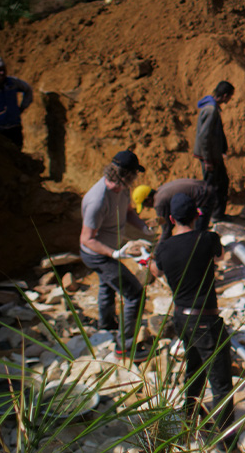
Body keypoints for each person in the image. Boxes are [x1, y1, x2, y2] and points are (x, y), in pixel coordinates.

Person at [149, 193, 239, 452]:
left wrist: (164, 238)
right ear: (197, 215)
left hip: (181, 318)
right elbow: (219, 256)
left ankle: (187, 420)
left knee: (194, 369)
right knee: (221, 385)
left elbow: (156, 271)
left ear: (170, 219)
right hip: (205, 319)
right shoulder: (207, 238)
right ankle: (227, 444)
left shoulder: (164, 247)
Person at [79, 150, 153, 360]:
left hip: (109, 250)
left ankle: (107, 324)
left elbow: (129, 212)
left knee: (107, 285)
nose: (137, 178)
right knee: (134, 293)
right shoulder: (98, 199)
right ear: (126, 173)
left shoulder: (123, 189)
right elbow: (86, 238)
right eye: (135, 174)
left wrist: (143, 227)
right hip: (96, 254)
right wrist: (115, 253)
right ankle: (125, 348)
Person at [132, 179, 218, 245]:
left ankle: (208, 258)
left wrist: (158, 251)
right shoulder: (161, 191)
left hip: (205, 198)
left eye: (145, 205)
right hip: (207, 188)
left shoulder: (159, 203)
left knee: (197, 237)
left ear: (148, 200)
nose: (148, 208)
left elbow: (167, 230)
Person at [194, 81, 235, 221]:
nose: (229, 100)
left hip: (213, 155)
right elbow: (204, 137)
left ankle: (217, 214)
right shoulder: (211, 110)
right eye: (229, 97)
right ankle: (211, 217)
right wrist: (207, 160)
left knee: (221, 183)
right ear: (224, 96)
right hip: (210, 157)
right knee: (213, 187)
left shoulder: (210, 107)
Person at [0, 57, 33, 150]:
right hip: (0, 130)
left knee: (17, 152)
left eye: (3, 70)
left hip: (14, 126)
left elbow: (28, 89)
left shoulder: (12, 83)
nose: (2, 73)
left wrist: (23, 107)